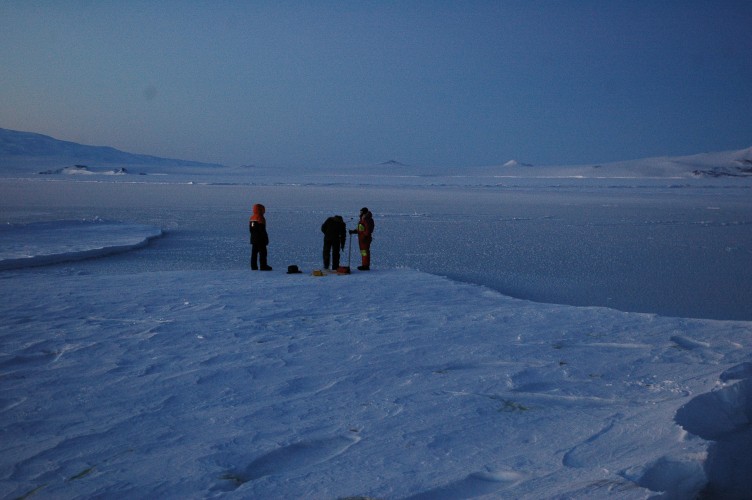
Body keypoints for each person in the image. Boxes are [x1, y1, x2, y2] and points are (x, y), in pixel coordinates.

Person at [249, 203, 272, 271]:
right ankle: (263, 266)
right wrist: (265, 239)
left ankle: (254, 266)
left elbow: (251, 229)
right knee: (263, 253)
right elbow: (262, 230)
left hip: (253, 238)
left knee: (254, 253)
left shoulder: (252, 218)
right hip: (260, 239)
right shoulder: (260, 218)